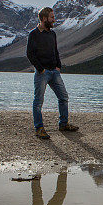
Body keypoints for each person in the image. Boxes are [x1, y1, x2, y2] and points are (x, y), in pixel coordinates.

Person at [26, 7, 78, 139]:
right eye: (51, 17)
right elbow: (30, 54)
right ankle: (39, 128)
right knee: (38, 101)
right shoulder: (33, 34)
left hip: (54, 72)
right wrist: (40, 69)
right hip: (42, 73)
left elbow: (55, 51)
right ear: (44, 19)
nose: (54, 20)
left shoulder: (52, 34)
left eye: (53, 17)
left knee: (63, 97)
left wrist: (58, 66)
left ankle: (63, 123)